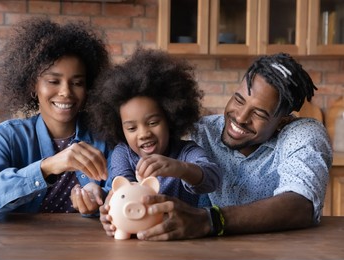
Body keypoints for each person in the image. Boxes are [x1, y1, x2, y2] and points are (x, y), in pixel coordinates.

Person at [99, 52, 333, 240]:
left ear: (283, 120)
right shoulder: (202, 131)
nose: (240, 117)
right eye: (239, 100)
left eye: (259, 113)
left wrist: (209, 220)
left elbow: (300, 205)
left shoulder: (303, 134)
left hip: (281, 254)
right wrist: (108, 200)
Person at [0, 17, 112, 221]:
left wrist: (101, 200)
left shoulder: (105, 137)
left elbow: (125, 193)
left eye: (77, 82)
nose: (66, 92)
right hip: (22, 249)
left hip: (88, 250)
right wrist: (47, 167)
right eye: (53, 81)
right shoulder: (8, 137)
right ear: (33, 85)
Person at [86, 47, 222, 207]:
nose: (143, 134)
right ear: (119, 128)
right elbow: (121, 190)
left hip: (182, 230)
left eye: (152, 123)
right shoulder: (123, 154)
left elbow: (213, 179)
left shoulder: (186, 152)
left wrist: (180, 168)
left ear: (170, 118)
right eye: (131, 128)